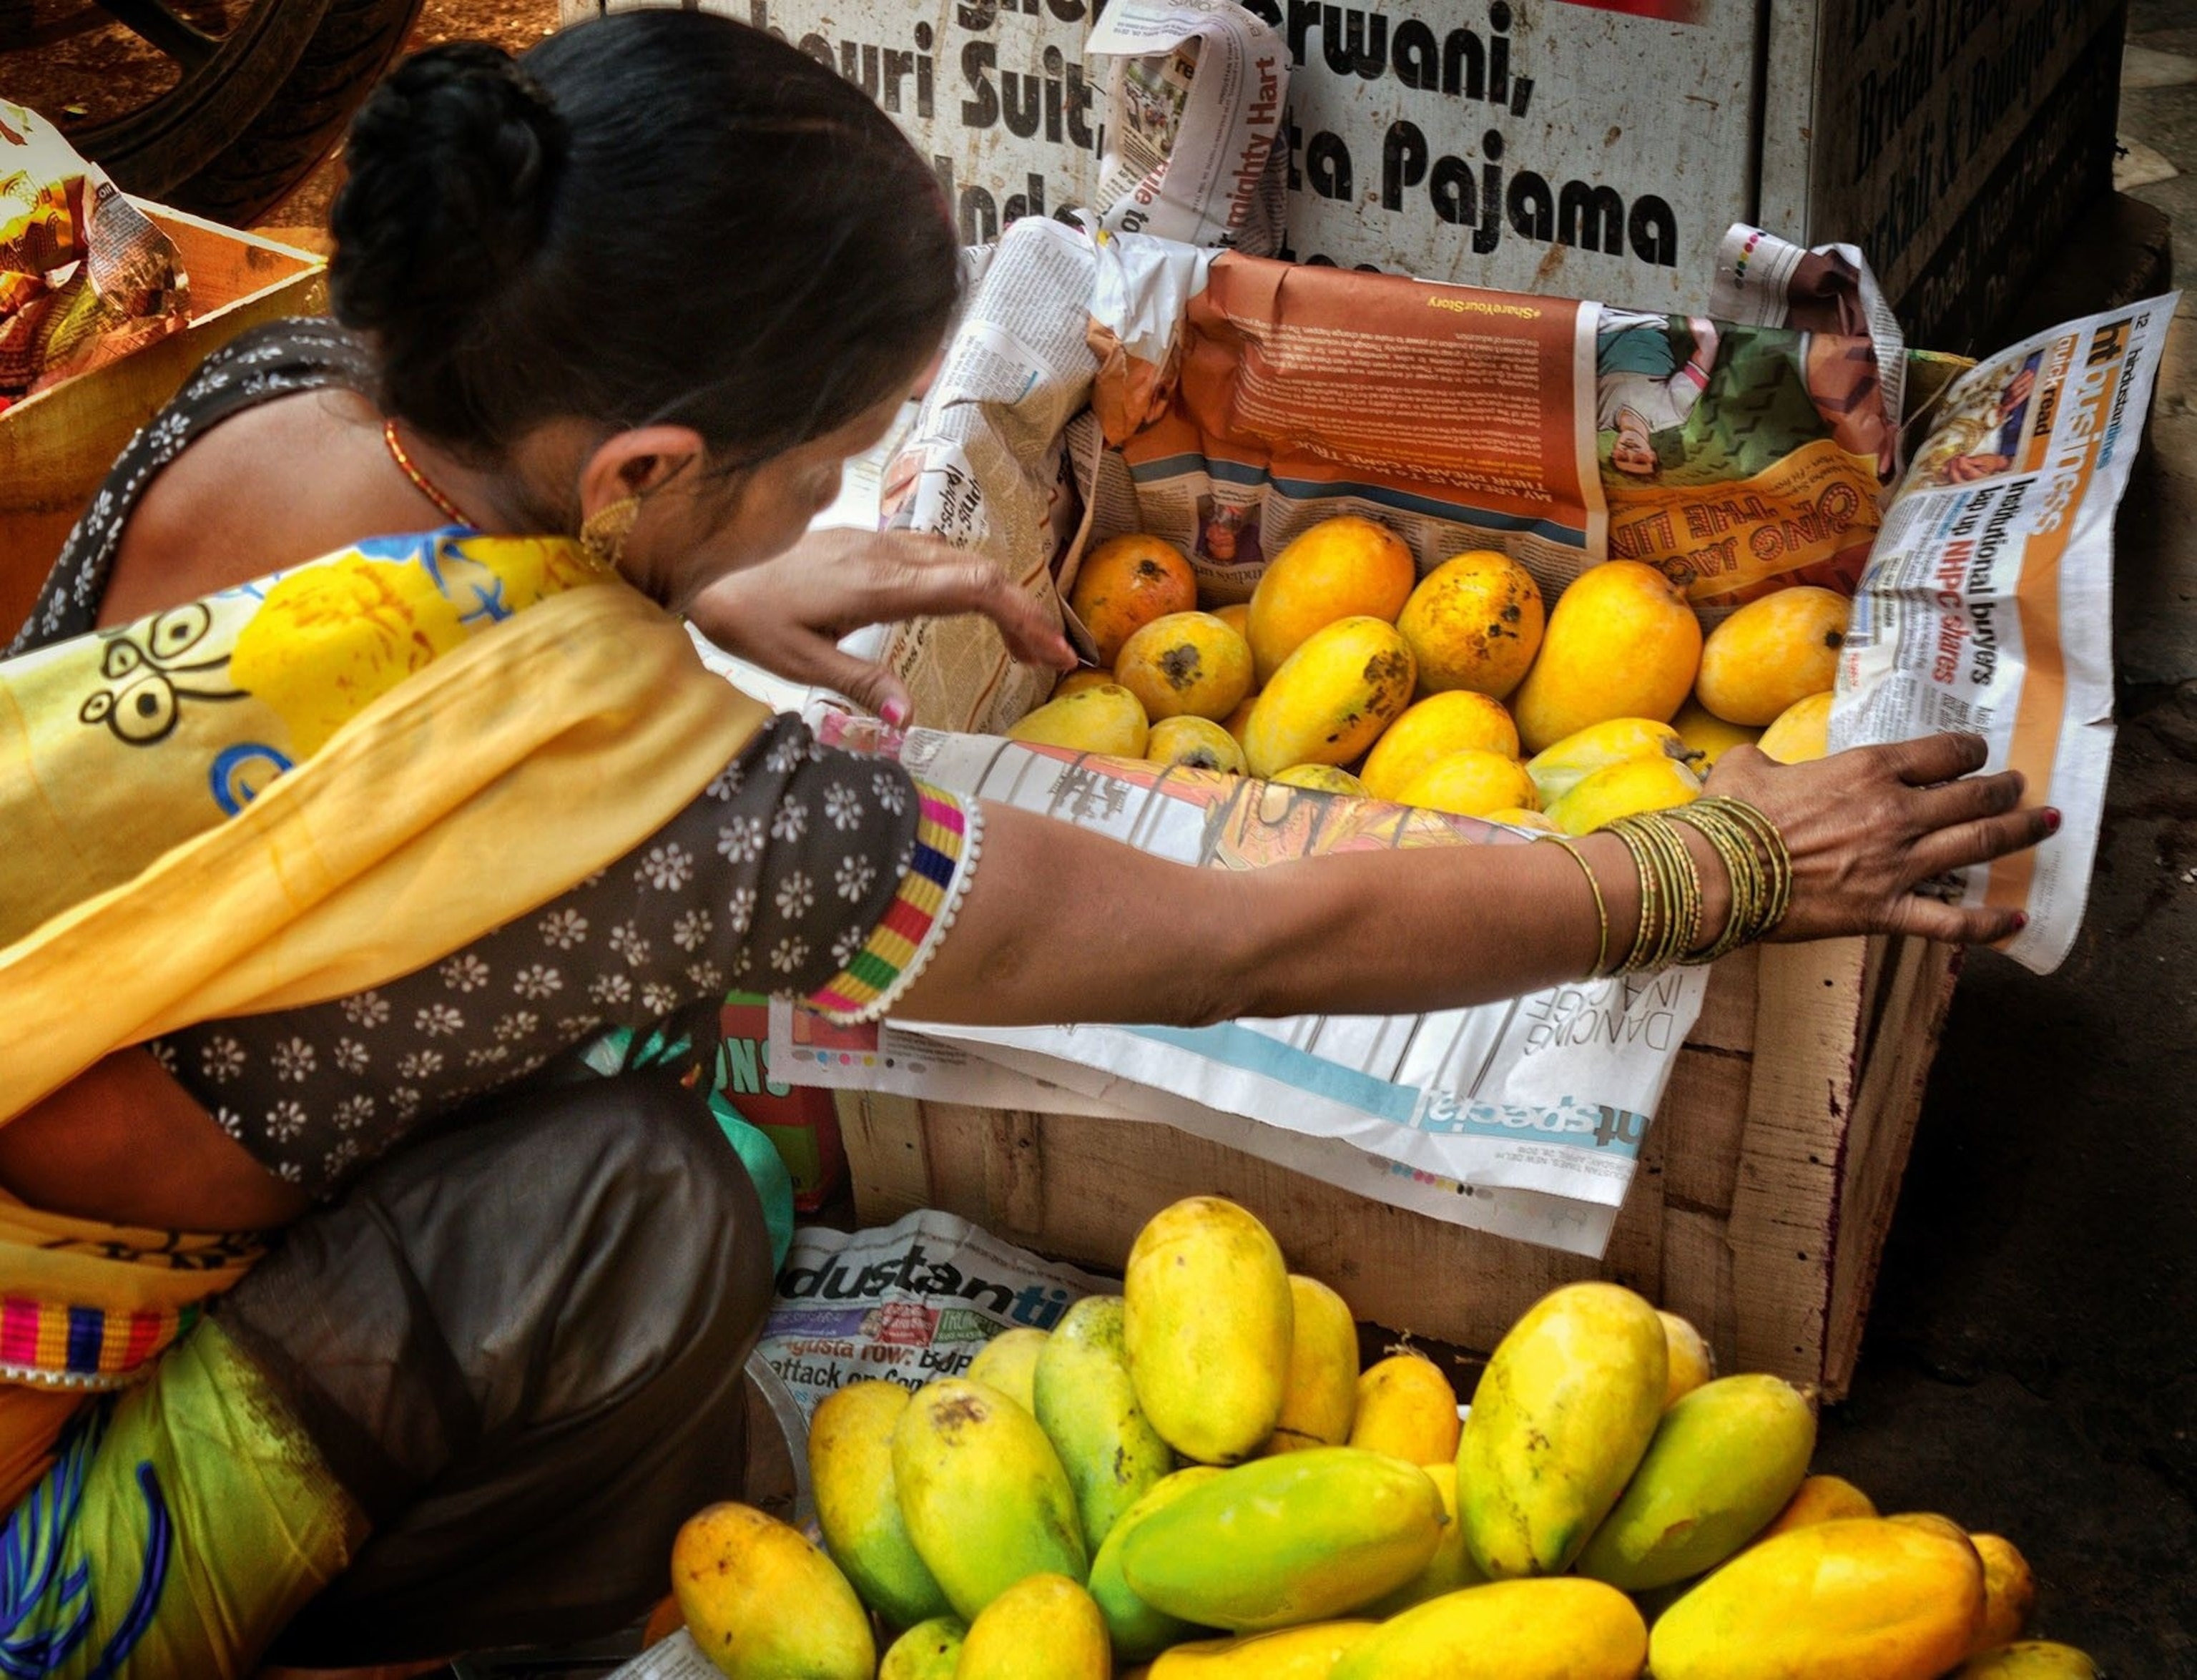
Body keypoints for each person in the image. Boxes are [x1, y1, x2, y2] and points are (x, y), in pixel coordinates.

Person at [0, 14, 2051, 1674]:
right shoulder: (720, 825)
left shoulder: (253, 394)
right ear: (637, 471)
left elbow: (395, 661)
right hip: (41, 1521)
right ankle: (472, 1631)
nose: (830, 516)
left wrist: (690, 597)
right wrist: (1708, 867)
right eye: (809, 477)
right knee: (659, 1194)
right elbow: (1246, 937)